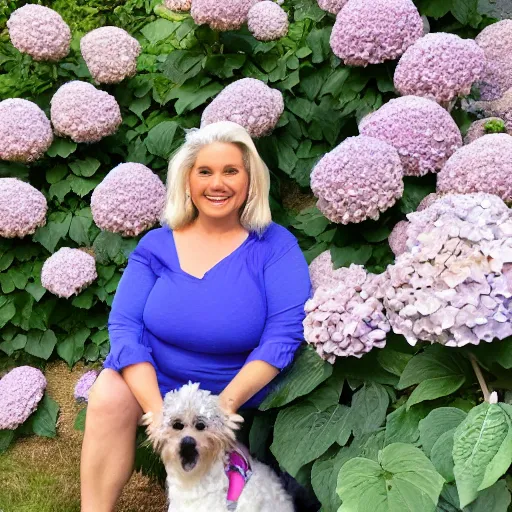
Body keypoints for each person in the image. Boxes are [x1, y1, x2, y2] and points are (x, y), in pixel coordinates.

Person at [80, 120, 312, 512]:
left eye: (230, 171)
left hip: (236, 384)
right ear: (187, 181)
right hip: (160, 379)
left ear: (250, 180)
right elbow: (125, 327)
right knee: (107, 393)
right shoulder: (157, 244)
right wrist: (157, 412)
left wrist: (226, 405)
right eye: (205, 171)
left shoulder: (275, 246)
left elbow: (284, 335)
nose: (217, 183)